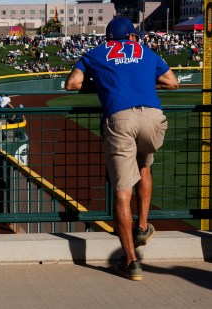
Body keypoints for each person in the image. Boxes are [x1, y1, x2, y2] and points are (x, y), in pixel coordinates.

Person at [65, 16, 179, 281]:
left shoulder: (95, 53)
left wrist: (104, 85)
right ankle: (142, 227)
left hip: (119, 119)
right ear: (131, 36)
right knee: (144, 166)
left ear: (108, 38)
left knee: (122, 191)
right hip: (152, 118)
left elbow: (72, 84)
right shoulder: (145, 51)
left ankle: (130, 262)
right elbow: (173, 82)